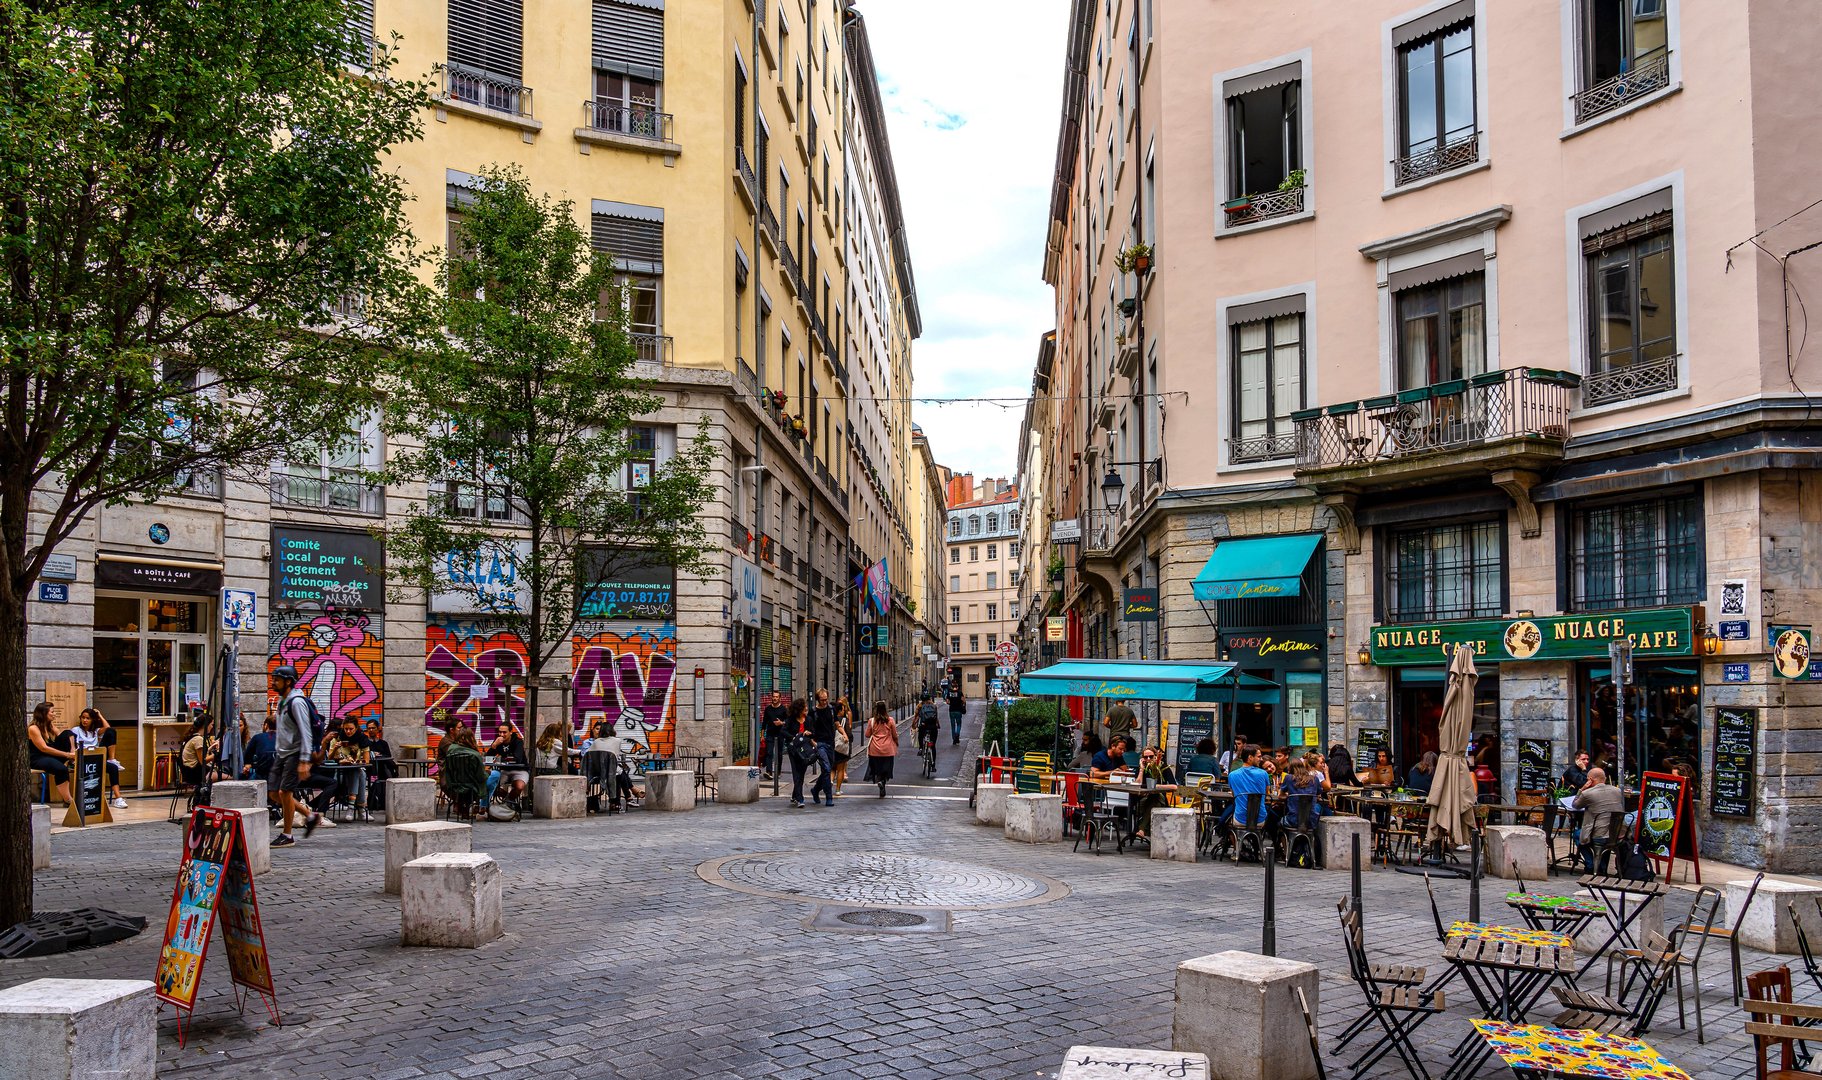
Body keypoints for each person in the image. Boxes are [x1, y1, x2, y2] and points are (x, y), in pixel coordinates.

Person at [268, 665, 325, 846]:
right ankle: (310, 815)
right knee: (274, 794)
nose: (273, 682)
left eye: (277, 679)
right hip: (282, 753)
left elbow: (306, 731)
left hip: (295, 753)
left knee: (285, 792)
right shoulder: (282, 701)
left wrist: (304, 760)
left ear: (288, 682)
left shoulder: (297, 702)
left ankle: (287, 835)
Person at [56, 707, 128, 809]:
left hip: (96, 757)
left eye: (88, 718)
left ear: (92, 720)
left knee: (113, 767)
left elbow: (107, 728)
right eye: (83, 718)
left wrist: (99, 716)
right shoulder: (76, 730)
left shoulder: (95, 731)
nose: (85, 720)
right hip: (83, 758)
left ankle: (118, 798)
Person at [1572, 766, 1626, 874]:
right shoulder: (1617, 791)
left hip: (1599, 835)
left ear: (1590, 780)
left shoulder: (1587, 793)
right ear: (1604, 779)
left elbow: (1575, 805)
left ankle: (1590, 864)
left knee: (1577, 834)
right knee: (1605, 831)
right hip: (1616, 834)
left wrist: (1582, 789)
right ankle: (1603, 866)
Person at [321, 716, 372, 819]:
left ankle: (351, 807)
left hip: (355, 770)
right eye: (346, 729)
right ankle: (360, 809)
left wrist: (356, 759)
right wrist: (335, 748)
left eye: (351, 729)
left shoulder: (362, 739)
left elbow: (366, 760)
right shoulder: (337, 738)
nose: (348, 731)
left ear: (356, 728)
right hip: (339, 773)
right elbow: (329, 758)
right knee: (360, 774)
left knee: (358, 772)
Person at [27, 701, 73, 806]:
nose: (54, 714)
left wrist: (71, 751)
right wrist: (67, 755)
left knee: (68, 733)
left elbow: (62, 737)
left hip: (49, 756)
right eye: (52, 712)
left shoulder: (49, 726)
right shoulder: (33, 728)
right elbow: (44, 748)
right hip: (37, 758)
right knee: (61, 769)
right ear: (43, 714)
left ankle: (72, 759)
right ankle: (68, 800)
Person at [439, 725, 489, 818]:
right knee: (489, 778)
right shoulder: (475, 755)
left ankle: (461, 807)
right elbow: (480, 776)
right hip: (472, 789)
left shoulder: (450, 750)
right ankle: (482, 807)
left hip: (453, 786)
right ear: (471, 738)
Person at [1225, 744, 1275, 833]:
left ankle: (1238, 844)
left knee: (1228, 824)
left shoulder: (1232, 775)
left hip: (1240, 819)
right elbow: (1267, 793)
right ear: (1250, 757)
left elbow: (1234, 795)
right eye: (1259, 756)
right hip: (1259, 819)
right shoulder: (1263, 774)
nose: (1261, 759)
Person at [487, 720, 531, 805]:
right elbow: (488, 757)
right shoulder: (497, 741)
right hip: (504, 770)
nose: (501, 735)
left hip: (519, 769)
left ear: (510, 732)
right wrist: (494, 745)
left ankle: (508, 802)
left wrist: (502, 760)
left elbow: (517, 758)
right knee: (490, 785)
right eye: (500, 732)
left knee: (519, 786)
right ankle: (508, 799)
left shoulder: (517, 741)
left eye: (504, 732)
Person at [807, 690, 836, 807]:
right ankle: (829, 797)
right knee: (827, 769)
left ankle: (815, 790)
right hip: (820, 743)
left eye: (826, 699)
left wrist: (844, 734)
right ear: (818, 699)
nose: (825, 702)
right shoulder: (813, 712)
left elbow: (837, 723)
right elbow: (808, 729)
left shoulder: (831, 709)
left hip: (830, 743)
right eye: (822, 700)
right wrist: (814, 743)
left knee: (826, 770)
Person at [864, 700, 898, 796]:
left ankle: (879, 780)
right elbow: (894, 735)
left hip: (874, 749)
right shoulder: (890, 720)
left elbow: (867, 735)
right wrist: (896, 742)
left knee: (877, 768)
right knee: (886, 768)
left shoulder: (872, 721)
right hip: (887, 749)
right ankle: (882, 781)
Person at [785, 699, 813, 808]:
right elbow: (784, 731)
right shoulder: (791, 720)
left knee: (801, 774)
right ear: (799, 709)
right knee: (796, 774)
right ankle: (800, 798)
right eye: (804, 707)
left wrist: (809, 733)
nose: (806, 708)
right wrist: (793, 737)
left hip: (805, 750)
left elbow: (813, 732)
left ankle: (794, 795)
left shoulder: (809, 720)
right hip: (794, 750)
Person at [761, 692, 789, 779]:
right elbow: (764, 722)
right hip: (770, 734)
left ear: (780, 698)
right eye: (773, 697)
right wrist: (762, 735)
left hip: (780, 734)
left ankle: (779, 771)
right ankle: (769, 771)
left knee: (779, 753)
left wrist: (781, 723)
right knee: (769, 752)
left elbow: (788, 722)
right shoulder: (768, 709)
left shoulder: (783, 709)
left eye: (777, 697)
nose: (775, 698)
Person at [830, 698, 854, 796]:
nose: (844, 711)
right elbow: (849, 733)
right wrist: (850, 740)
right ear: (840, 711)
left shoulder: (830, 719)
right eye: (843, 709)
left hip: (832, 746)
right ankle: (838, 790)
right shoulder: (844, 720)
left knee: (832, 768)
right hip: (841, 747)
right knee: (840, 769)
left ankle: (830, 781)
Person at [242, 715, 278, 783]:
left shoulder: (257, 737)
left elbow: (248, 755)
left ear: (266, 725)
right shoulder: (285, 738)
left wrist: (247, 764)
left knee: (248, 781)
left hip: (262, 775)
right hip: (280, 774)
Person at [916, 696, 941, 762]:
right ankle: (933, 765)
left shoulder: (920, 706)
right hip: (933, 727)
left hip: (924, 726)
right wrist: (938, 725)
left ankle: (921, 748)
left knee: (920, 736)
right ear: (930, 699)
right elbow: (936, 717)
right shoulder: (934, 706)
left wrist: (914, 725)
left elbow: (917, 717)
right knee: (933, 746)